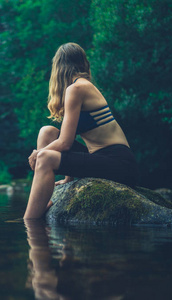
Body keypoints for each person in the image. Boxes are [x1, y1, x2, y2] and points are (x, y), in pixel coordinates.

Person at [24, 43, 139, 219]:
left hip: (119, 162)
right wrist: (68, 180)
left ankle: (29, 221)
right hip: (100, 157)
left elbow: (65, 143)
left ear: (59, 68)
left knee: (45, 157)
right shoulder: (79, 87)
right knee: (47, 132)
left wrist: (38, 153)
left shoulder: (76, 89)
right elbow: (67, 139)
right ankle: (43, 199)